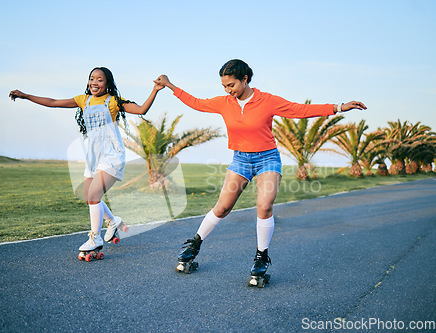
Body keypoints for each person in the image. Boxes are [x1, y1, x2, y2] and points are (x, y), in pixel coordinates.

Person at [154, 59, 366, 282]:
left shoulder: (267, 101)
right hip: (241, 160)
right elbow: (196, 102)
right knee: (223, 207)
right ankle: (194, 245)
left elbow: (300, 110)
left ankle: (261, 256)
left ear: (245, 79)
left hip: (267, 159)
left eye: (232, 85)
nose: (228, 90)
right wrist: (170, 85)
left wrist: (340, 107)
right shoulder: (224, 102)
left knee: (264, 207)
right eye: (224, 86)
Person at [10, 67, 164, 255]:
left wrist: (155, 90)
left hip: (111, 155)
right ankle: (113, 221)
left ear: (107, 83)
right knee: (90, 197)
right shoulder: (84, 100)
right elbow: (53, 102)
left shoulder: (113, 101)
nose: (94, 82)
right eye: (92, 79)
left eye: (100, 79)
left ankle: (95, 238)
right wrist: (25, 95)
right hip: (93, 155)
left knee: (93, 195)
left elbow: (141, 109)